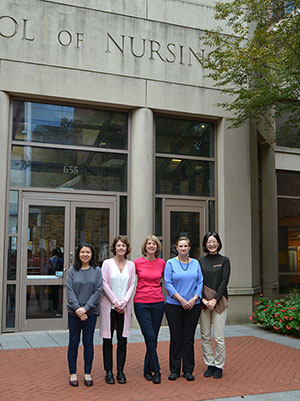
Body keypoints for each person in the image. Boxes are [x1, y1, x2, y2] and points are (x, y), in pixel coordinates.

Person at [164, 236, 203, 382]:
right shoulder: (170, 263)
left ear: (189, 248)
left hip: (193, 306)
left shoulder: (196, 263)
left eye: (185, 246)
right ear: (176, 248)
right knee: (176, 338)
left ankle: (188, 370)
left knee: (188, 338)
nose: (183, 248)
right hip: (174, 306)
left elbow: (200, 282)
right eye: (180, 246)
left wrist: (193, 299)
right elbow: (168, 283)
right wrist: (181, 300)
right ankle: (174, 370)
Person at [100, 236, 136, 385]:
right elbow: (104, 283)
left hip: (124, 308)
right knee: (107, 340)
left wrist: (124, 302)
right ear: (114, 248)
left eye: (123, 246)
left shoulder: (131, 265)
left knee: (122, 340)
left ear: (127, 249)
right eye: (118, 246)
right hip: (109, 307)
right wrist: (115, 301)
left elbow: (132, 284)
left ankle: (120, 371)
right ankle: (108, 371)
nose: (121, 248)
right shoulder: (107, 264)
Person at [66, 243, 102, 387]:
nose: (85, 254)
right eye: (82, 252)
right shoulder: (72, 271)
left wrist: (86, 309)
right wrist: (78, 309)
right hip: (74, 313)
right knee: (73, 342)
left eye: (88, 252)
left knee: (88, 342)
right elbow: (69, 291)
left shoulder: (97, 270)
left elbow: (98, 291)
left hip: (90, 313)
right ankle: (73, 372)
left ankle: (87, 372)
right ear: (78, 254)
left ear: (92, 254)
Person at [199, 231, 231, 379]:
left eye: (214, 241)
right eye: (208, 242)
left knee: (218, 336)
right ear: (205, 244)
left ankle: (219, 365)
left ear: (218, 243)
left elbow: (224, 282)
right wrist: (204, 300)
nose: (211, 244)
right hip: (204, 302)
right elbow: (198, 282)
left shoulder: (224, 260)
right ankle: (209, 363)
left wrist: (215, 299)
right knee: (205, 335)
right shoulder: (200, 261)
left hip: (219, 302)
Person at [134, 235, 165, 384]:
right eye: (149, 244)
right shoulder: (137, 263)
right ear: (145, 247)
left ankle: (147, 369)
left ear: (157, 247)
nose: (151, 246)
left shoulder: (162, 263)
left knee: (153, 337)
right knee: (150, 336)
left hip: (158, 302)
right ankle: (157, 370)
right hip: (141, 303)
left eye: (154, 244)